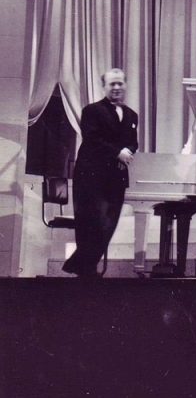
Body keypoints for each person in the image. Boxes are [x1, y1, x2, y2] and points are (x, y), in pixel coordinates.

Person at [62, 68, 138, 277]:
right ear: (104, 87)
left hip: (116, 177)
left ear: (125, 85)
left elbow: (133, 142)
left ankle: (79, 265)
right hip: (91, 176)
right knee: (92, 223)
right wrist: (117, 153)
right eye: (111, 84)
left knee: (109, 224)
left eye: (119, 83)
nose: (116, 87)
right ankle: (86, 270)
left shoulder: (132, 115)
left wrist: (128, 151)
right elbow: (93, 139)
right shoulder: (91, 111)